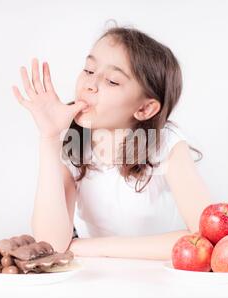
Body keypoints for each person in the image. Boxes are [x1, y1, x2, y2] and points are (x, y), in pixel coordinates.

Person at [12, 26, 212, 260]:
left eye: (112, 81)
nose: (90, 84)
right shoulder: (77, 145)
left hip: (159, 280)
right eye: (88, 70)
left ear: (145, 108)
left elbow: (205, 239)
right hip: (95, 280)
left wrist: (91, 248)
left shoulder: (167, 144)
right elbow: (52, 243)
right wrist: (48, 137)